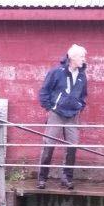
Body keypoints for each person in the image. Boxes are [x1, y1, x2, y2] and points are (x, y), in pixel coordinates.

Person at [37, 44, 88, 190]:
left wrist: (80, 105)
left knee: (72, 145)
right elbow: (45, 90)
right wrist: (50, 107)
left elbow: (84, 94)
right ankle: (42, 178)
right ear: (72, 57)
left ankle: (67, 178)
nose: (84, 60)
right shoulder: (56, 72)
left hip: (72, 115)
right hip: (57, 113)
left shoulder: (82, 75)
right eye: (81, 56)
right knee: (48, 144)